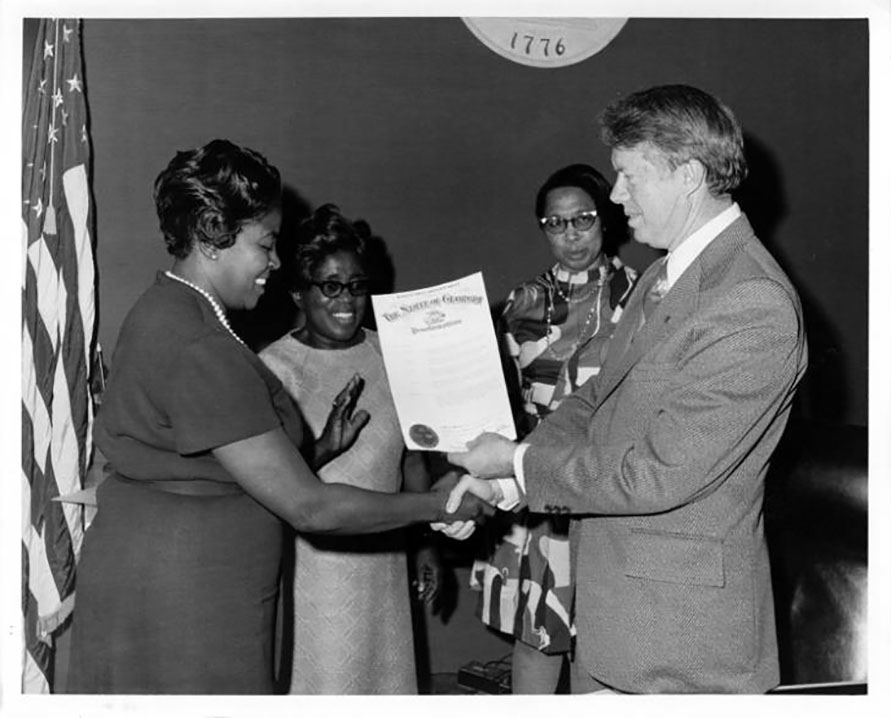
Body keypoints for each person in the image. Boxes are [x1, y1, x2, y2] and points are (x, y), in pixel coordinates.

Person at [64, 139, 487, 695]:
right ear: (215, 234)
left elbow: (211, 466)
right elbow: (309, 507)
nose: (276, 262)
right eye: (266, 244)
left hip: (171, 576)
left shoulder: (170, 311)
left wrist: (314, 454)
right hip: (187, 594)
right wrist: (438, 504)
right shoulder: (199, 342)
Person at [443, 84, 808, 693]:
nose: (616, 196)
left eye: (628, 176)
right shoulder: (667, 271)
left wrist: (516, 460)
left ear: (687, 174)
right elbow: (595, 402)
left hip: (679, 649)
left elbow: (655, 474)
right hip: (616, 624)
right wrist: (502, 480)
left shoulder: (750, 302)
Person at [259, 204, 443, 694]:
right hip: (312, 572)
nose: (347, 301)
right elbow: (266, 487)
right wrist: (322, 448)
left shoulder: (392, 353)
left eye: (357, 286)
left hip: (384, 563)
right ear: (299, 291)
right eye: (331, 286)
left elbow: (412, 457)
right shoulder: (273, 369)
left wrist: (424, 542)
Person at [470, 164, 637, 694]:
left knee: (601, 635)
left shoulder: (640, 298)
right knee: (536, 632)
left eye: (583, 219)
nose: (571, 236)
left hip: (600, 484)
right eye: (555, 223)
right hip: (531, 486)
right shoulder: (520, 304)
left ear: (605, 220)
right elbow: (495, 403)